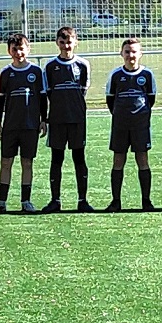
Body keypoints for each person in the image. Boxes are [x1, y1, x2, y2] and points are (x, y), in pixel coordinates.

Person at [0, 33, 45, 214]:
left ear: (28, 49)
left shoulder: (36, 72)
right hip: (11, 126)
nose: (18, 52)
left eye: (21, 48)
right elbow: (0, 100)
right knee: (6, 162)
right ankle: (1, 201)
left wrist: (44, 120)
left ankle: (26, 201)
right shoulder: (6, 73)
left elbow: (43, 97)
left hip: (30, 126)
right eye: (14, 49)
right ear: (9, 51)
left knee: (27, 163)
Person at [43, 27, 92, 213]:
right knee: (57, 159)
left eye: (69, 42)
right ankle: (55, 200)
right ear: (57, 42)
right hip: (57, 119)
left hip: (77, 119)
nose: (66, 46)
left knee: (79, 158)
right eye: (62, 42)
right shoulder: (50, 66)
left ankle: (82, 200)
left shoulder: (83, 64)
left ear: (76, 42)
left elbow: (83, 90)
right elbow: (47, 93)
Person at [106, 37, 156, 212]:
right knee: (118, 160)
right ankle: (116, 201)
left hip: (140, 126)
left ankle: (146, 201)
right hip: (120, 125)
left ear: (140, 53)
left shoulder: (147, 75)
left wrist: (139, 116)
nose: (130, 55)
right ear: (121, 53)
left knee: (142, 160)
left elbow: (151, 99)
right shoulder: (116, 75)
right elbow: (110, 100)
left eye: (134, 51)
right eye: (127, 52)